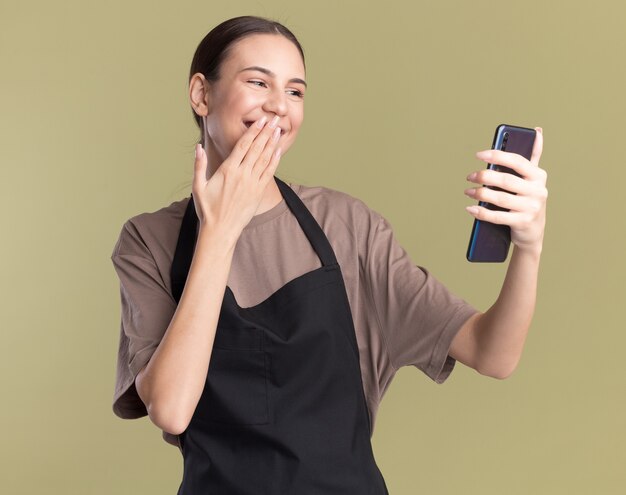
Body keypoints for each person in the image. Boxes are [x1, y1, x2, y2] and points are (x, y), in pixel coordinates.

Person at [110, 15, 547, 494]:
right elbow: (170, 408)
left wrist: (529, 245)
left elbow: (493, 353)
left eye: (295, 92)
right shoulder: (148, 241)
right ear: (201, 93)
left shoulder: (346, 226)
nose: (279, 106)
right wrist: (219, 230)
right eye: (258, 82)